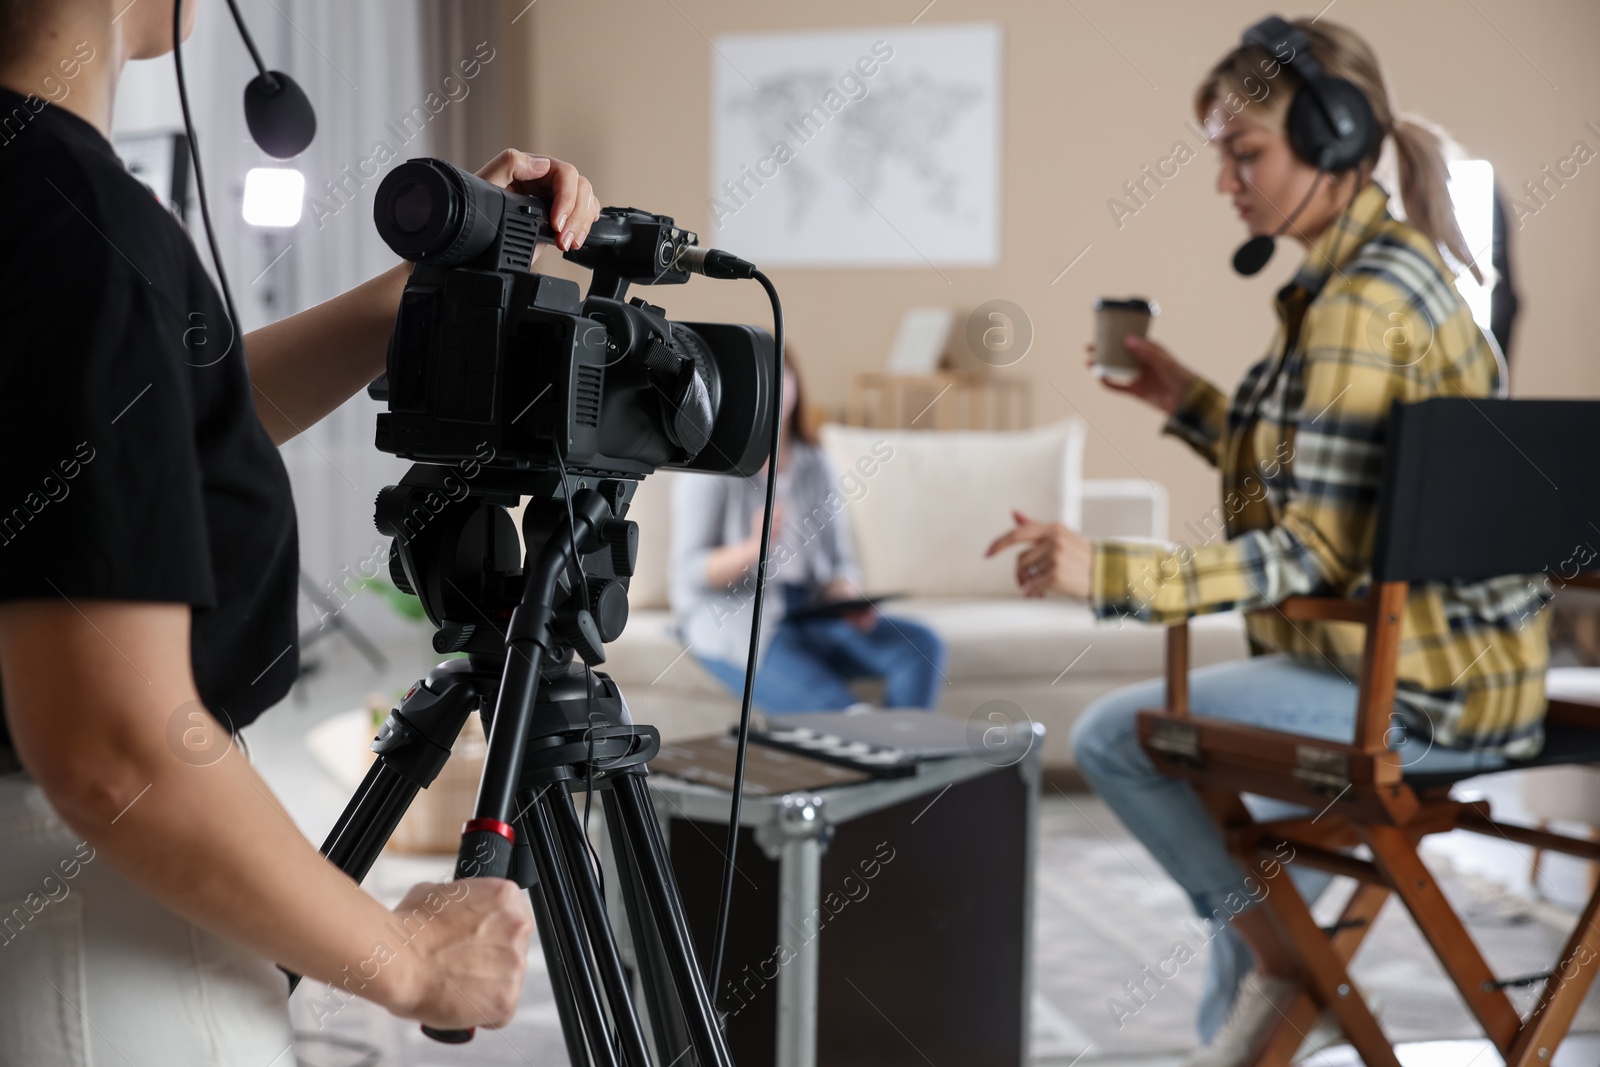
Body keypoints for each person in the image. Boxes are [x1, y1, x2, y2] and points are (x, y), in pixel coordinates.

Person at [0, 1, 603, 1061]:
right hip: (83, 947)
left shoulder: (37, 210)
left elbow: (163, 430)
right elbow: (111, 747)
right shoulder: (80, 222)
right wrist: (408, 955)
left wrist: (426, 289)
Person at [984, 18, 1549, 1067]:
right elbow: (1332, 489)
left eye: (1245, 154)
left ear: (1334, 140)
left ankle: (1291, 973)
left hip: (1429, 695)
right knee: (1256, 844)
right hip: (1421, 669)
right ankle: (1270, 990)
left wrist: (1101, 571)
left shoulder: (1363, 300)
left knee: (1120, 735)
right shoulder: (1352, 280)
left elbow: (1306, 554)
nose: (1224, 183)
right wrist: (1187, 399)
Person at [670, 351, 946, 713]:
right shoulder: (710, 464)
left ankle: (905, 753)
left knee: (922, 647)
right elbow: (689, 571)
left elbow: (841, 562)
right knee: (844, 714)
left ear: (797, 386)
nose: (773, 390)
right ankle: (884, 754)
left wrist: (846, 594)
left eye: (781, 378)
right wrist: (752, 549)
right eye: (761, 381)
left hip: (813, 611)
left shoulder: (818, 464)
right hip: (740, 618)